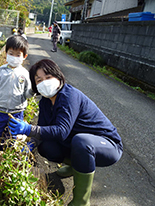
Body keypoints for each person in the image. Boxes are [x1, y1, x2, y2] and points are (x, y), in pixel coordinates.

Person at [9, 59, 123, 206]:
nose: (44, 82)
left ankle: (81, 201)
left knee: (82, 142)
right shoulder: (45, 102)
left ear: (58, 76)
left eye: (48, 77)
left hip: (107, 145)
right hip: (77, 142)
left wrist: (28, 129)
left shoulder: (69, 96)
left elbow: (62, 131)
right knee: (46, 147)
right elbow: (42, 128)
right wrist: (31, 144)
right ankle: (75, 166)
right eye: (39, 80)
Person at [0, 35, 34, 157]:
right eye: (11, 53)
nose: (14, 57)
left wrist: (33, 90)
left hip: (16, 112)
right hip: (0, 111)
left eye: (18, 55)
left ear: (24, 57)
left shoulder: (25, 74)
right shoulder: (0, 71)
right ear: (6, 53)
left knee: (11, 138)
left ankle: (5, 159)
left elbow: (27, 94)